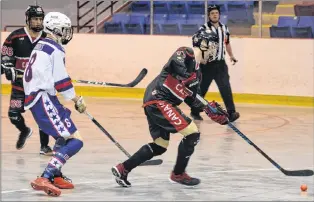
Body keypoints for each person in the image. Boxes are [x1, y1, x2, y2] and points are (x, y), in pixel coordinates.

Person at [111, 30, 229, 187]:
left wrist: (208, 109)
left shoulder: (198, 73)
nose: (215, 50)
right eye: (214, 46)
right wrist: (188, 79)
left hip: (158, 104)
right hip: (158, 99)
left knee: (160, 145)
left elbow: (192, 98)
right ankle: (178, 174)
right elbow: (176, 62)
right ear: (203, 44)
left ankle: (123, 168)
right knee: (192, 133)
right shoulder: (186, 53)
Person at [23, 11, 87, 197]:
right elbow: (62, 83)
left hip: (41, 97)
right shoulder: (55, 49)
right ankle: (46, 176)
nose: (67, 34)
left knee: (65, 136)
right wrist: (77, 100)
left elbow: (50, 76)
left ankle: (55, 174)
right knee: (76, 140)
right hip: (43, 98)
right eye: (65, 30)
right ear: (56, 29)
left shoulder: (41, 45)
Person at [1, 5, 53, 155]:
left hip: (38, 87)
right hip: (19, 86)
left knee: (42, 117)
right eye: (35, 19)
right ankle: (24, 131)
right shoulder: (15, 37)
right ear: (28, 20)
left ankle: (44, 146)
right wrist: (7, 66)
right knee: (13, 115)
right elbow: (5, 56)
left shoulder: (47, 38)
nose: (38, 22)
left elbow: (53, 60)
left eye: (40, 19)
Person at [188, 5, 240, 122]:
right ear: (209, 15)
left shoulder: (224, 28)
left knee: (225, 87)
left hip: (221, 64)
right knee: (202, 88)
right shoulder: (203, 28)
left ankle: (231, 113)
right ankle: (195, 111)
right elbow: (196, 44)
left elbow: (226, 43)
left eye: (216, 13)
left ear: (219, 14)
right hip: (207, 65)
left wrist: (231, 56)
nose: (215, 15)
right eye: (212, 13)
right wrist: (201, 59)